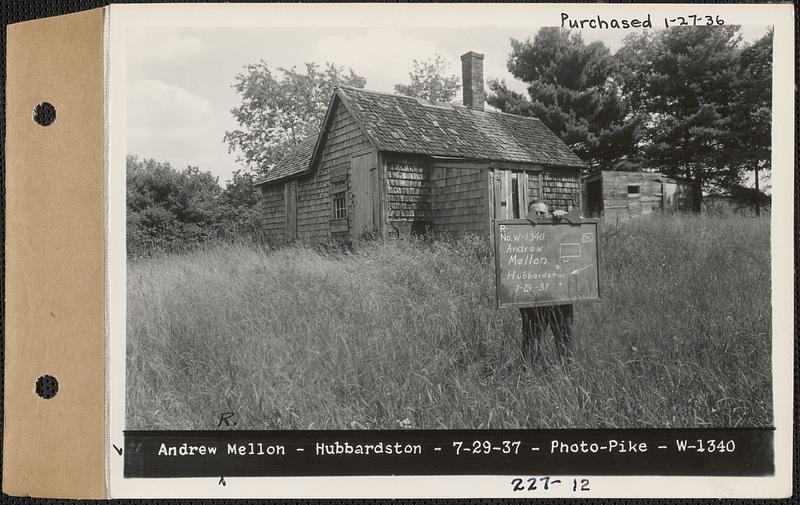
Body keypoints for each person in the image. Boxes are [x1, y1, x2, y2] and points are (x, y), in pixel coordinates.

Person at [519, 200, 574, 364]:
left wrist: (565, 218)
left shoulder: (559, 229)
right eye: (534, 212)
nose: (538, 216)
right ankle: (528, 374)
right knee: (531, 339)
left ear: (548, 214)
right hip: (532, 296)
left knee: (565, 337)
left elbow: (583, 234)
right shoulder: (519, 233)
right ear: (526, 215)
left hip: (560, 295)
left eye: (542, 213)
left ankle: (567, 373)